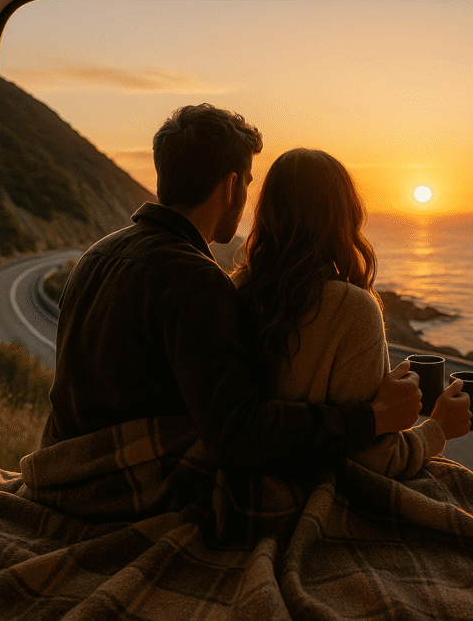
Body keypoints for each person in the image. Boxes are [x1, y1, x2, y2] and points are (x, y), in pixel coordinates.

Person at [38, 105, 422, 475]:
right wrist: (372, 418)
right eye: (248, 182)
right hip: (128, 484)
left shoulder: (96, 255)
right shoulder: (194, 280)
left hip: (64, 467)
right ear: (231, 186)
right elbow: (240, 435)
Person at [234, 148, 472, 479]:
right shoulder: (352, 308)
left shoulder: (235, 289)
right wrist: (439, 428)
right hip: (310, 488)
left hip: (239, 478)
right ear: (345, 215)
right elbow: (378, 460)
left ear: (267, 212)